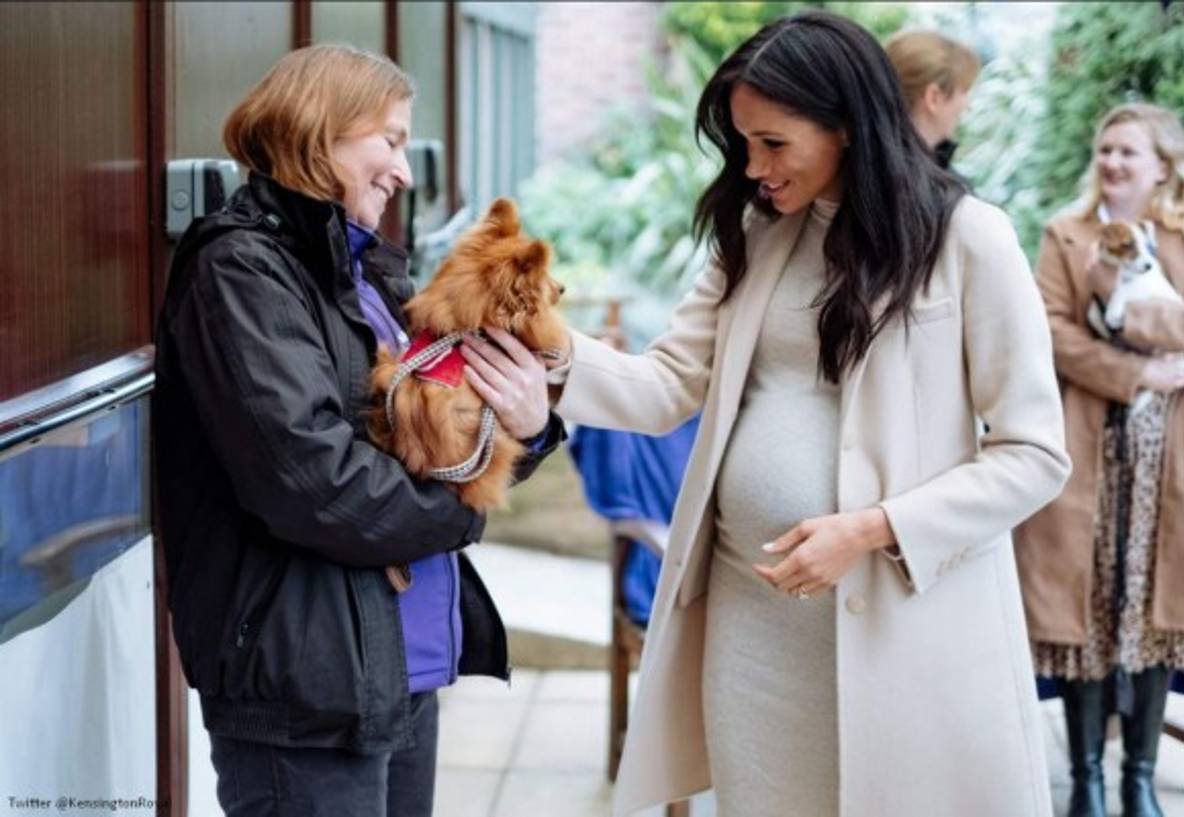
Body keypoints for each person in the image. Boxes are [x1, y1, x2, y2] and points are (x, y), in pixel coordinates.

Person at [464, 10, 1070, 817]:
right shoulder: (756, 232)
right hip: (754, 630)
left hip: (905, 627)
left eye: (774, 143)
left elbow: (1034, 455)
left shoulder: (971, 240)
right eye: (744, 143)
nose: (753, 168)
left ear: (849, 126)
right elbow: (667, 384)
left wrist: (871, 527)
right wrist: (546, 355)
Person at [153, 44, 562, 817]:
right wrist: (464, 512)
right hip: (305, 683)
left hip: (395, 664)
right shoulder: (241, 271)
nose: (405, 172)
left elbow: (435, 443)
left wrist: (531, 426)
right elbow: (312, 480)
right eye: (393, 140)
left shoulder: (365, 270)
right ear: (322, 131)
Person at [1015, 102, 1184, 817]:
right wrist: (1133, 368)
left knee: (1158, 609)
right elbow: (1046, 331)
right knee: (1089, 610)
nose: (1112, 162)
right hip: (1086, 447)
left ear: (1162, 165)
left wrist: (1127, 309)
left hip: (1171, 458)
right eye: (1106, 149)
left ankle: (1138, 778)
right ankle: (1087, 781)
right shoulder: (1064, 233)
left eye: (1128, 152)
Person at [884, 29, 980, 168]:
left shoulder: (862, 165)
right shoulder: (928, 184)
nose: (967, 105)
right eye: (964, 91)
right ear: (934, 97)